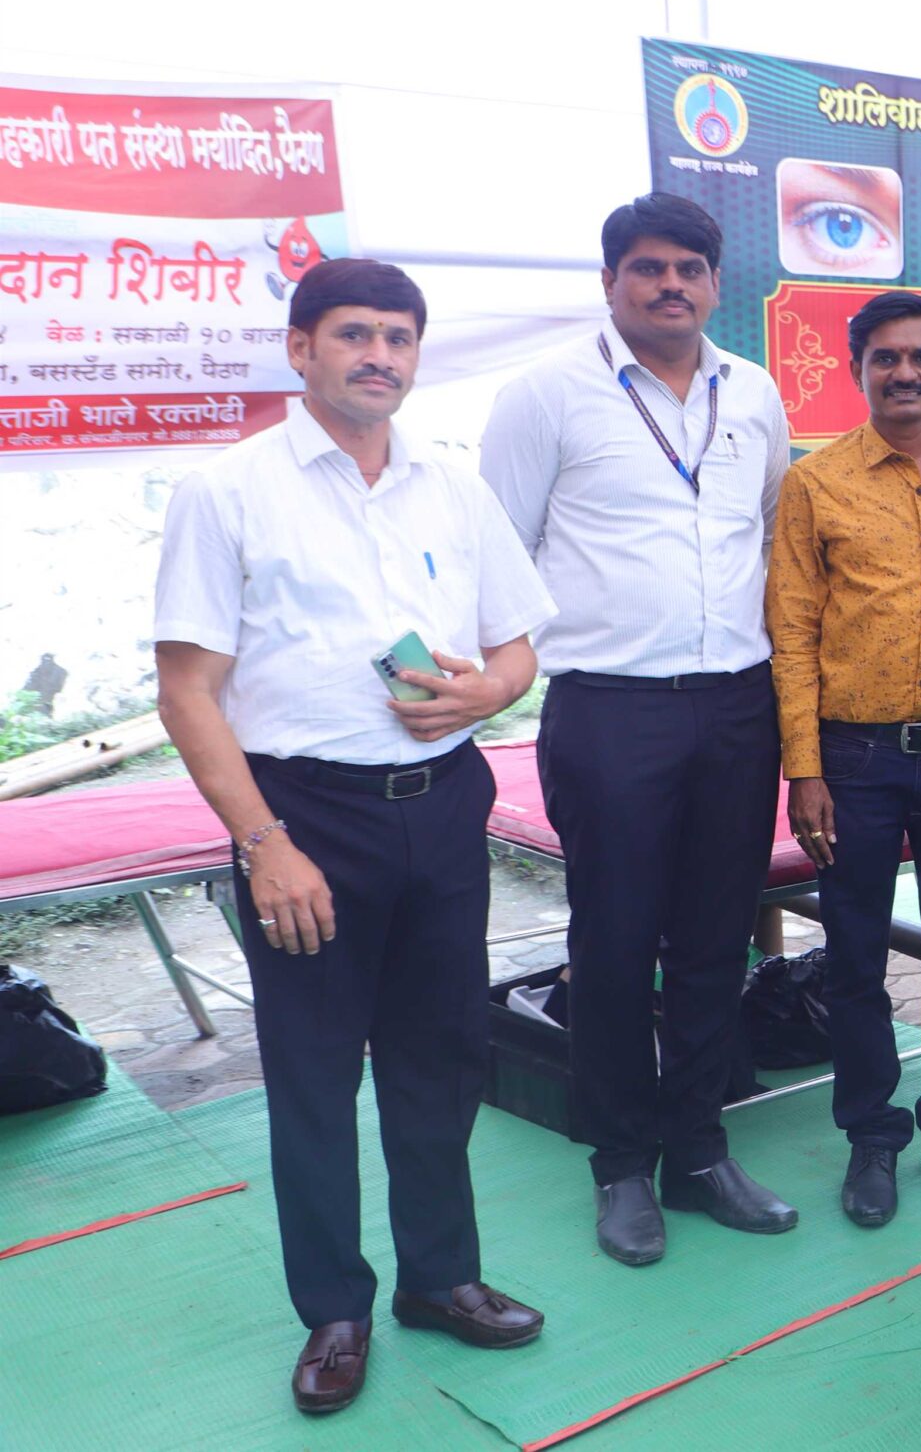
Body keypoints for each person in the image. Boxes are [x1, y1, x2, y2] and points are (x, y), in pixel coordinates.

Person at [155, 259, 556, 1414]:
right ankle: (335, 1308)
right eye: (354, 334)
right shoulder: (228, 491)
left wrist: (488, 693)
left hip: (444, 805)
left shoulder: (452, 487)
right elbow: (187, 691)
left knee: (444, 1057)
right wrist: (265, 843)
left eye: (398, 337)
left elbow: (519, 645)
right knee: (315, 1076)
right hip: (305, 820)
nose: (380, 355)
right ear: (300, 349)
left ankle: (441, 1278)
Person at [479, 192, 798, 1267]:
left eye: (689, 269)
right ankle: (620, 1163)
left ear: (715, 282)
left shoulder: (752, 392)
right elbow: (497, 550)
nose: (671, 285)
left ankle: (699, 1151)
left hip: (737, 705)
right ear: (610, 281)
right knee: (613, 947)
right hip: (609, 708)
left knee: (714, 941)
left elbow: (769, 527)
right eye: (648, 268)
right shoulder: (546, 395)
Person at [767, 291, 921, 1228]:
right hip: (854, 760)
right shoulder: (816, 482)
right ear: (857, 369)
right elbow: (792, 630)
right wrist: (805, 769)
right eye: (885, 359)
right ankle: (872, 1135)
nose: (905, 373)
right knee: (857, 952)